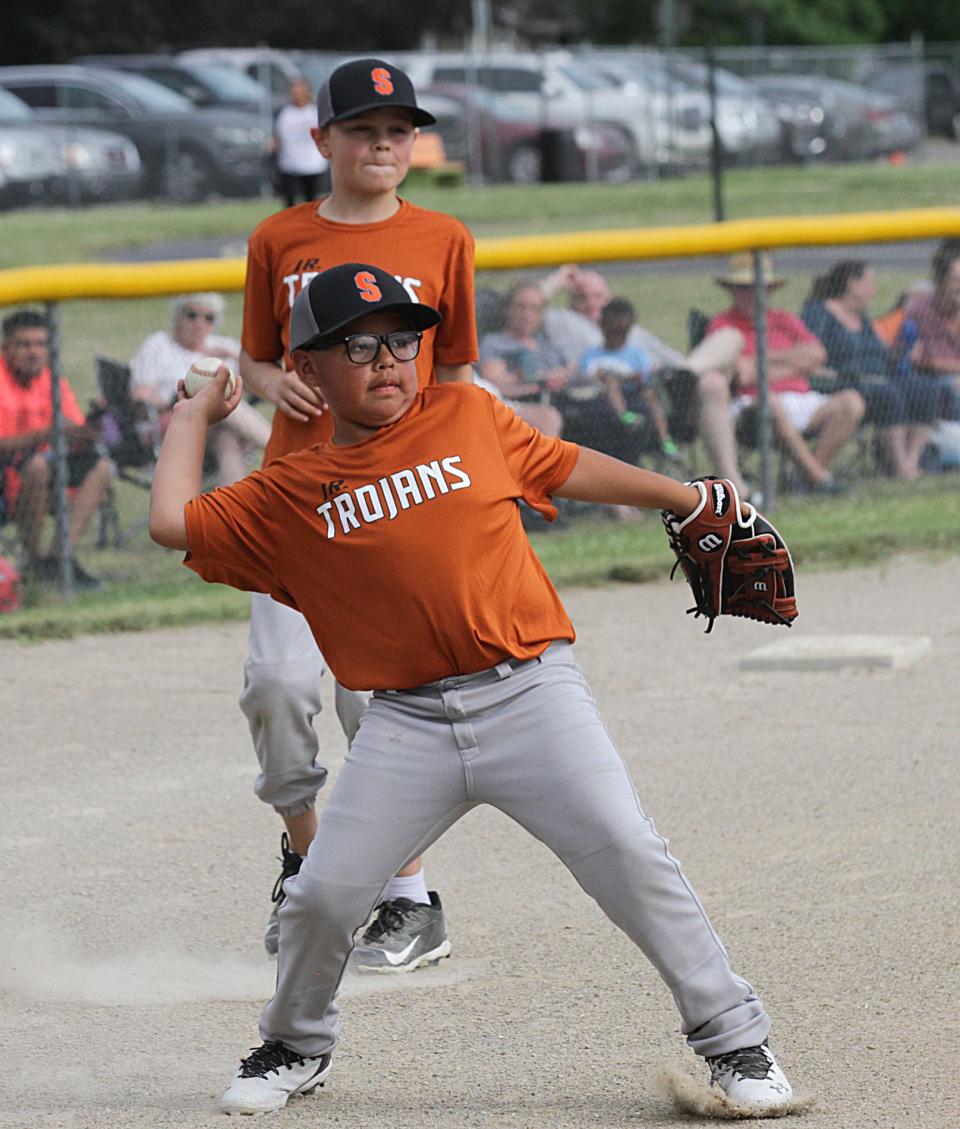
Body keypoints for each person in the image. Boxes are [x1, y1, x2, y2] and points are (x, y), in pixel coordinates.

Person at [148, 263, 795, 1119]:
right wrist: (193, 415)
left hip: (530, 691)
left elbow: (564, 465)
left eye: (404, 338)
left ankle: (734, 1037)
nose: (389, 358)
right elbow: (172, 522)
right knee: (325, 895)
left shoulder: (466, 415)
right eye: (360, 343)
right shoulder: (287, 495)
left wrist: (687, 498)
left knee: (627, 850)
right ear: (307, 370)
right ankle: (295, 1042)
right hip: (406, 722)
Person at [238, 57, 478, 964]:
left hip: (396, 500)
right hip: (295, 500)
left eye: (398, 130)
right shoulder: (279, 238)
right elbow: (260, 355)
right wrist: (272, 387)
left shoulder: (444, 236)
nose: (382, 144)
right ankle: (309, 866)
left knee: (375, 699)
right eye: (362, 129)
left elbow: (453, 373)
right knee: (278, 686)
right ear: (320, 141)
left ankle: (410, 902)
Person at [539, 264, 750, 495]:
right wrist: (558, 279)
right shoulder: (563, 323)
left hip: (666, 388)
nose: (591, 304)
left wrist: (676, 373)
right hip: (619, 403)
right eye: (581, 298)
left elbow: (673, 360)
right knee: (713, 382)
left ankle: (734, 486)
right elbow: (529, 303)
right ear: (570, 303)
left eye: (598, 296)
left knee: (719, 367)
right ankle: (735, 487)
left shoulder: (635, 332)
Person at [702, 254, 865, 493]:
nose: (753, 295)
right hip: (751, 405)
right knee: (771, 403)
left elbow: (817, 354)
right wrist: (794, 361)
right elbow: (743, 374)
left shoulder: (783, 319)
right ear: (733, 291)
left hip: (801, 398)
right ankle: (819, 479)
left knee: (852, 402)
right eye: (745, 289)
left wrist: (761, 359)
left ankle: (805, 479)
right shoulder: (723, 325)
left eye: (760, 288)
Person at [0, 310, 113, 589]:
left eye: (41, 344)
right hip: (7, 479)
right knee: (38, 466)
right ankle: (35, 561)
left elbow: (70, 429)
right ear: (6, 348)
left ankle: (59, 559)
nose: (34, 352)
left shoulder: (52, 380)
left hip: (44, 476)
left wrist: (89, 429)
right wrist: (45, 434)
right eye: (25, 344)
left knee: (102, 466)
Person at [801, 259, 938, 480]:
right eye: (869, 283)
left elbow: (881, 357)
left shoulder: (862, 320)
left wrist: (902, 351)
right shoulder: (820, 313)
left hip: (880, 379)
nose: (873, 291)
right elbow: (808, 353)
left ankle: (912, 461)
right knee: (887, 395)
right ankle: (900, 466)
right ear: (852, 285)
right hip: (841, 385)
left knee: (925, 389)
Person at [129, 294, 271, 487]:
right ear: (177, 316)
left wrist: (234, 356)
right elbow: (141, 395)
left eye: (208, 318)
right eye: (191, 315)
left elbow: (263, 384)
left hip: (214, 426)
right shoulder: (158, 345)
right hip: (172, 425)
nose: (199, 323)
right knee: (222, 403)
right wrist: (178, 397)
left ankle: (232, 514)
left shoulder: (222, 347)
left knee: (227, 439)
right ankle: (282, 451)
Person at [574, 297, 675, 466]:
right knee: (611, 381)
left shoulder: (636, 354)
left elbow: (642, 376)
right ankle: (623, 416)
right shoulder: (591, 354)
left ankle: (665, 438)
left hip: (633, 394)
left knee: (650, 395)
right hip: (600, 400)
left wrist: (627, 378)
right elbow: (586, 377)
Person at [477, 282, 566, 437]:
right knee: (549, 418)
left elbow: (570, 369)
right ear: (507, 310)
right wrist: (536, 383)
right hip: (524, 402)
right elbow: (495, 384)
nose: (527, 315)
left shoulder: (546, 344)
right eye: (521, 307)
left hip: (563, 398)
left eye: (534, 309)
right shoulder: (495, 343)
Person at [903, 238, 960, 420]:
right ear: (940, 282)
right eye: (956, 280)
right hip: (932, 384)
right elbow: (928, 361)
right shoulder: (922, 312)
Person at [271, 78, 330, 209]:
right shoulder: (285, 112)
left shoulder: (315, 111)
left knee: (311, 201)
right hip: (289, 164)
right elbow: (278, 135)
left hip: (312, 163)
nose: (296, 93)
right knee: (289, 201)